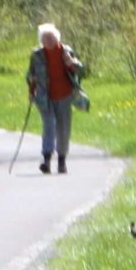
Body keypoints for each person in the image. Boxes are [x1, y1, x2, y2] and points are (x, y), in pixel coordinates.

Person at [25, 22, 85, 175]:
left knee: (63, 128)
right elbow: (30, 74)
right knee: (49, 124)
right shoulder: (37, 55)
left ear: (57, 38)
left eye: (51, 38)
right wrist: (32, 88)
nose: (48, 41)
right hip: (45, 97)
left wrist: (71, 63)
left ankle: (62, 161)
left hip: (65, 95)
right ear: (41, 41)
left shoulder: (66, 51)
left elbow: (80, 70)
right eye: (45, 39)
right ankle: (46, 159)